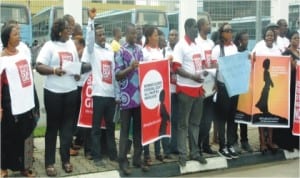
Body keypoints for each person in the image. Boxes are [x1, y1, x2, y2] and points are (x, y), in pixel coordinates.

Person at [36, 18, 80, 176]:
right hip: (53, 93)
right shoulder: (49, 46)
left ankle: (65, 160)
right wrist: (54, 70)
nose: (70, 31)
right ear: (59, 31)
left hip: (71, 91)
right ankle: (49, 163)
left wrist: (77, 74)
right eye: (67, 29)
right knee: (53, 128)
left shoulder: (71, 45)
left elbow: (76, 64)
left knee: (67, 128)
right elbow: (39, 66)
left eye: (70, 29)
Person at [82, 8, 118, 167]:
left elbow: (115, 72)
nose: (103, 37)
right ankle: (97, 156)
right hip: (98, 94)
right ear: (95, 37)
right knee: (96, 128)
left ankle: (113, 154)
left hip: (111, 95)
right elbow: (88, 39)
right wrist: (91, 21)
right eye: (100, 34)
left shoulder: (110, 49)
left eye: (104, 34)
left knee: (111, 127)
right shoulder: (92, 50)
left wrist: (117, 94)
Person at [0, 23, 36, 178]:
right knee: (6, 136)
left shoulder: (23, 53)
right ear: (8, 39)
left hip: (26, 102)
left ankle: (25, 167)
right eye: (15, 34)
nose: (19, 36)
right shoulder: (2, 59)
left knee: (26, 135)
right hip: (9, 101)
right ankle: (3, 168)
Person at [115, 23, 149, 175]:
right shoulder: (120, 52)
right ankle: (122, 161)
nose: (135, 37)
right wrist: (131, 68)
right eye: (132, 34)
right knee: (124, 131)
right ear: (125, 34)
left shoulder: (139, 50)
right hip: (126, 97)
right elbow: (117, 75)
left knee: (137, 130)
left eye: (136, 34)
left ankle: (137, 158)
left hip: (139, 96)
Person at [173, 18, 207, 167]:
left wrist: (207, 72)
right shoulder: (180, 46)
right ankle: (182, 154)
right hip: (185, 91)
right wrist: (193, 76)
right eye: (194, 27)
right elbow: (177, 68)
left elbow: (202, 65)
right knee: (183, 125)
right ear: (187, 28)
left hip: (198, 91)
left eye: (197, 27)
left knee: (195, 123)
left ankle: (194, 152)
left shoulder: (197, 45)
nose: (196, 29)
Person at [212, 22, 239, 160]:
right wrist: (215, 83)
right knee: (222, 118)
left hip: (234, 86)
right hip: (223, 87)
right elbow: (212, 68)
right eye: (227, 30)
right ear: (222, 33)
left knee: (232, 118)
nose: (230, 32)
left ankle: (230, 144)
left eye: (231, 30)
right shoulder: (217, 49)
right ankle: (222, 146)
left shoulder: (234, 47)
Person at [252, 28, 281, 155]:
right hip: (260, 86)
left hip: (274, 88)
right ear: (264, 37)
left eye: (272, 35)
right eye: (268, 35)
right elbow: (252, 61)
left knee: (270, 113)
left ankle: (270, 141)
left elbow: (281, 65)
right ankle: (262, 142)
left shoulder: (277, 49)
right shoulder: (258, 47)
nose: (270, 37)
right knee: (262, 115)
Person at [142, 26, 166, 165]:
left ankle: (157, 152)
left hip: (158, 92)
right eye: (155, 35)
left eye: (158, 35)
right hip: (147, 92)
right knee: (147, 122)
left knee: (157, 121)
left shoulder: (160, 51)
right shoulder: (144, 52)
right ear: (149, 37)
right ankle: (146, 154)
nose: (157, 38)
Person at [273, 31, 300, 151]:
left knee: (296, 116)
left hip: (298, 87)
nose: (297, 40)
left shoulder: (298, 52)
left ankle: (295, 142)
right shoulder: (286, 53)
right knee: (288, 114)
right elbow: (287, 68)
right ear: (290, 40)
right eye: (295, 38)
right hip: (289, 87)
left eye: (298, 38)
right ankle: (285, 142)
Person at [196, 17, 217, 156]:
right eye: (208, 24)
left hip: (211, 85)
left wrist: (216, 81)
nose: (210, 26)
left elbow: (215, 63)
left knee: (208, 118)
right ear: (201, 26)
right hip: (200, 86)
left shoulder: (211, 43)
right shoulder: (196, 43)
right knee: (200, 119)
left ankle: (206, 145)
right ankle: (197, 146)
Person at [232, 31, 253, 153]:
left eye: (248, 39)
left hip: (245, 90)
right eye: (245, 39)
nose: (247, 41)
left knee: (243, 116)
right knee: (235, 116)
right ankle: (234, 141)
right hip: (235, 90)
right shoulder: (234, 53)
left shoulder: (247, 54)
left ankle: (245, 141)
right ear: (240, 41)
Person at [165, 29, 179, 155]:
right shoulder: (165, 50)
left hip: (178, 90)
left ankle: (175, 146)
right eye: (171, 35)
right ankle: (166, 148)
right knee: (166, 120)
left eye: (175, 35)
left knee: (176, 120)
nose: (173, 37)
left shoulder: (180, 50)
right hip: (168, 91)